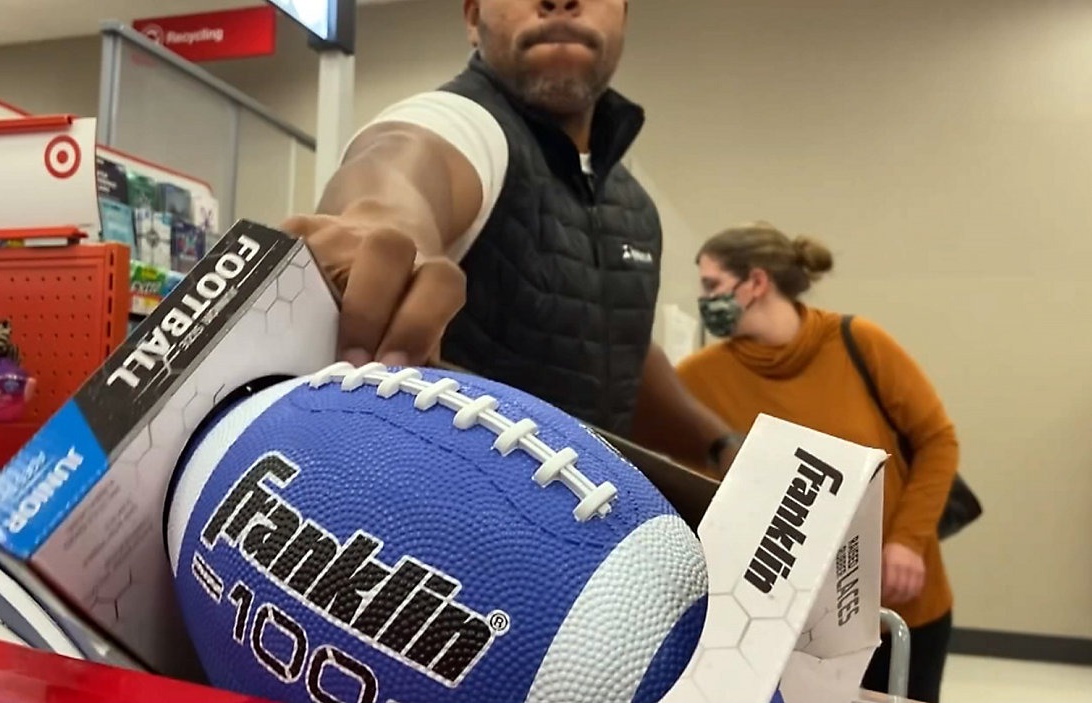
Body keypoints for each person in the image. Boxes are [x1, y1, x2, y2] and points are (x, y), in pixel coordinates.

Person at [280, 0, 742, 475]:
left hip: (598, 533)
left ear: (624, 13)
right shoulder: (462, 122)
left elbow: (613, 347)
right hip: (452, 522)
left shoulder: (633, 203)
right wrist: (373, 227)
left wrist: (719, 443)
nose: (560, 1)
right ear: (472, 17)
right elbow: (402, 166)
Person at [674, 221, 960, 703]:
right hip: (789, 625)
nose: (704, 301)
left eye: (712, 285)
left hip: (899, 602)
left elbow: (938, 440)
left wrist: (909, 541)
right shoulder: (698, 379)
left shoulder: (857, 342)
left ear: (757, 283)